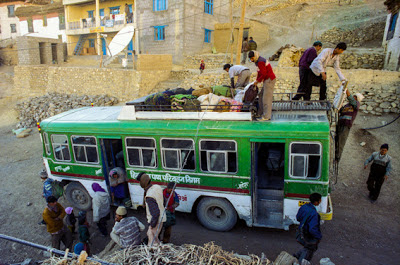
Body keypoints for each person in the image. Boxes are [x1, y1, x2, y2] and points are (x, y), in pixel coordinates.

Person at [136, 172, 166, 246]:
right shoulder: (157, 187)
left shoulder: (149, 196)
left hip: (156, 221)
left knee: (152, 243)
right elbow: (164, 201)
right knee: (156, 239)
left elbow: (155, 213)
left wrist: (152, 225)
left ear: (142, 183)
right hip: (162, 218)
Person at [335, 90, 364, 161]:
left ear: (357, 99)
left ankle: (337, 157)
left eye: (354, 97)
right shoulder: (347, 106)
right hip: (340, 124)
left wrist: (347, 91)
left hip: (346, 125)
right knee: (336, 140)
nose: (352, 97)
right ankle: (334, 154)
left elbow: (351, 99)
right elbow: (340, 110)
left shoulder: (356, 104)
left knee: (341, 141)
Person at [294, 193, 322, 264]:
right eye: (320, 200)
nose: (320, 201)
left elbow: (298, 218)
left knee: (306, 247)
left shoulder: (304, 207)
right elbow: (312, 229)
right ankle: (299, 261)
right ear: (316, 202)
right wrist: (318, 237)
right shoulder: (314, 214)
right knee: (309, 250)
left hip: (301, 232)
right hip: (308, 235)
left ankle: (296, 256)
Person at [248, 51, 276, 121]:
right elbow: (259, 73)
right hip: (266, 80)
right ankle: (260, 113)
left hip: (269, 80)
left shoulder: (260, 62)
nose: (251, 60)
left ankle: (266, 116)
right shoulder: (258, 61)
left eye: (252, 58)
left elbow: (263, 74)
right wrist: (256, 81)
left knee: (266, 99)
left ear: (254, 57)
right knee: (261, 96)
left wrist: (258, 81)